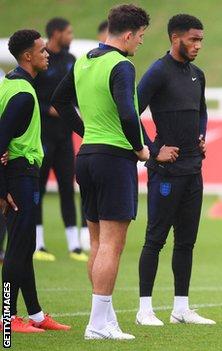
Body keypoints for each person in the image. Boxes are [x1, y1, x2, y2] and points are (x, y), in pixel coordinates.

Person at [52, 4, 150, 340]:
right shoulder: (121, 65)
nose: (139, 43)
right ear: (127, 35)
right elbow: (127, 111)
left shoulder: (83, 60)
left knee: (96, 241)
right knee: (112, 244)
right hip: (113, 160)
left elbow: (59, 99)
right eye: (140, 37)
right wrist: (140, 148)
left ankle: (104, 319)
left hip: (88, 156)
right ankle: (97, 324)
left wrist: (85, 131)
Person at [135, 13, 214, 327]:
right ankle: (144, 310)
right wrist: (154, 151)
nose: (197, 45)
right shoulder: (157, 72)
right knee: (155, 240)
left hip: (193, 170)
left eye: (200, 40)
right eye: (193, 39)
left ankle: (181, 308)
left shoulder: (198, 74)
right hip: (166, 173)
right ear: (175, 38)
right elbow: (131, 113)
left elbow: (202, 113)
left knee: (186, 242)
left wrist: (201, 137)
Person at [0, 29, 70, 333]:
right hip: (19, 175)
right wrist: (3, 190)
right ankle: (6, 318)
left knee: (25, 245)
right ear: (27, 55)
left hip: (20, 173)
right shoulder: (23, 95)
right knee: (17, 248)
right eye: (42, 50)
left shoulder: (11, 83)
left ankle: (37, 315)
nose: (47, 54)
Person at [32, 17, 88, 262]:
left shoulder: (70, 61)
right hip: (42, 137)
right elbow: (29, 96)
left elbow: (76, 94)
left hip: (65, 137)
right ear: (56, 33)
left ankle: (74, 246)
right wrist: (49, 109)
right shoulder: (40, 59)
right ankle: (38, 243)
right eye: (69, 32)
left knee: (68, 188)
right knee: (38, 189)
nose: (71, 36)